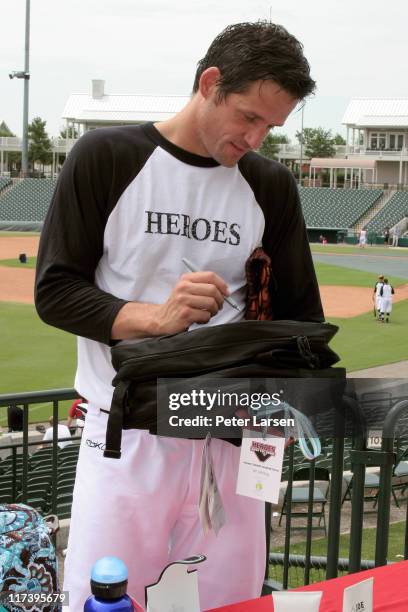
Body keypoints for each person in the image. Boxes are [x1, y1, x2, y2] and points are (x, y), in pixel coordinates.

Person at [35, 21, 323, 610]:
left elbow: (304, 319)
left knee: (231, 601)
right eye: (248, 116)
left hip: (233, 435)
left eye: (271, 126)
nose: (256, 137)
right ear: (210, 83)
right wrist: (154, 318)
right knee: (108, 598)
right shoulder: (108, 157)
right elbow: (56, 290)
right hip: (129, 435)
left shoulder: (270, 185)